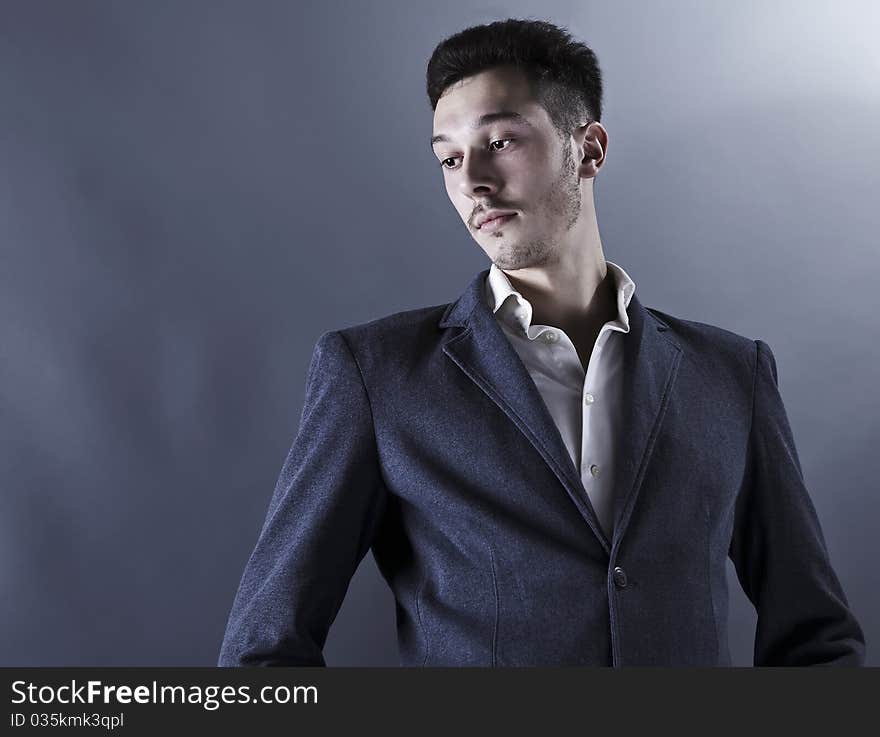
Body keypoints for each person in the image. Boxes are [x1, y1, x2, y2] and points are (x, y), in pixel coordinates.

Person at [218, 18, 865, 666]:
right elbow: (262, 653)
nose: (471, 179)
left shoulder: (730, 375)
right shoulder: (378, 377)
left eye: (499, 140)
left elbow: (817, 640)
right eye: (449, 156)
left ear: (589, 149)